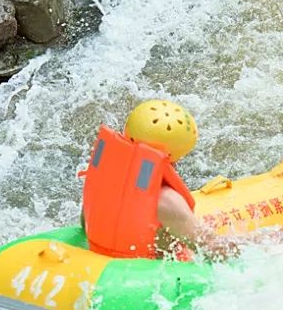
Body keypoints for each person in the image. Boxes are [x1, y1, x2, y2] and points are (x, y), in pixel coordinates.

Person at [79, 99, 235, 260]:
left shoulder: (105, 174)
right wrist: (258, 239)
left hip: (102, 263)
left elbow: (85, 225)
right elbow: (215, 249)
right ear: (175, 156)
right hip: (151, 276)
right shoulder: (167, 201)